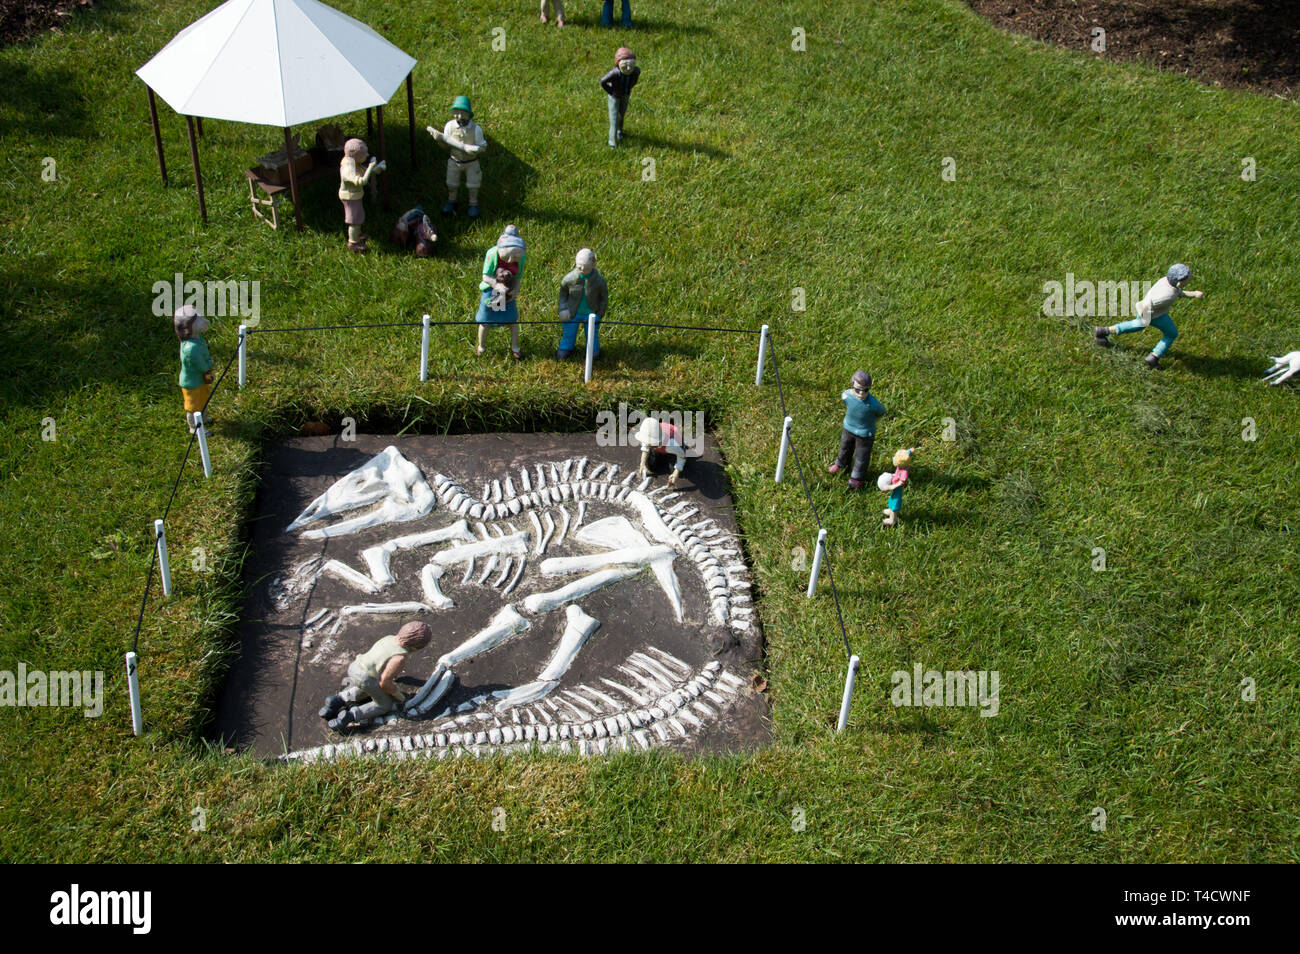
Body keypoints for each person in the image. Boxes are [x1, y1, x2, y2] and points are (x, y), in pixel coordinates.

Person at [320, 621, 432, 731]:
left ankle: (337, 701)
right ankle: (349, 716)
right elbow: (385, 683)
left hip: (355, 667)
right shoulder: (400, 657)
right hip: (366, 677)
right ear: (416, 646)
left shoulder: (389, 638)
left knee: (368, 687)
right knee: (384, 704)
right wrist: (399, 696)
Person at [1094, 263, 1204, 369]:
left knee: (1135, 325)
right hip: (1155, 316)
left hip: (1148, 312)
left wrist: (1194, 294)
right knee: (1171, 334)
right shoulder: (1169, 295)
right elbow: (1154, 302)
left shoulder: (1165, 281)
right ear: (1179, 283)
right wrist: (1145, 316)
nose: (1191, 278)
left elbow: (1179, 292)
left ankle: (1103, 331)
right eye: (1188, 278)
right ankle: (1154, 357)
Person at [428, 95, 487, 218]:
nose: (459, 116)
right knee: (452, 183)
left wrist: (475, 150)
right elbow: (445, 146)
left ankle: (473, 204)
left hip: (471, 162)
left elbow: (483, 147)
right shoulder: (449, 126)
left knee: (473, 184)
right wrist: (439, 140)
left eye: (463, 113)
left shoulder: (476, 129)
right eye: (457, 113)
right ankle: (452, 201)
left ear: (469, 114)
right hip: (454, 161)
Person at [827, 370, 886, 490]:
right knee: (844, 448)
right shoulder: (847, 396)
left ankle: (857, 477)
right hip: (848, 428)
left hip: (865, 434)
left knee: (861, 456)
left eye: (865, 390)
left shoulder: (873, 404)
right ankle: (841, 465)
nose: (861, 393)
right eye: (858, 390)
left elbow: (881, 412)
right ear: (852, 385)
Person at [475, 225, 527, 359]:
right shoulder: (492, 254)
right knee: (486, 321)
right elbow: (486, 276)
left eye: (515, 257)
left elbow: (518, 277)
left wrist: (515, 291)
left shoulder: (521, 258)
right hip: (491, 291)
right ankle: (481, 346)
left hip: (508, 292)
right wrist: (496, 285)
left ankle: (515, 347)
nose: (510, 260)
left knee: (512, 321)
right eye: (507, 256)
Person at [556, 248, 608, 359]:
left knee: (592, 335)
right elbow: (563, 295)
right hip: (572, 312)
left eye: (586, 267)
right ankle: (566, 347)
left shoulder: (599, 281)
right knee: (569, 332)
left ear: (593, 264)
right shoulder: (569, 279)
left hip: (591, 313)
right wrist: (563, 309)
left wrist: (600, 313)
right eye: (580, 267)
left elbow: (604, 298)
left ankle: (593, 349)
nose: (583, 269)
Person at [337, 138, 386, 253]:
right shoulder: (347, 168)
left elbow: (363, 172)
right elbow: (362, 181)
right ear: (356, 155)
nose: (367, 155)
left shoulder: (354, 162)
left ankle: (358, 234)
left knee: (359, 216)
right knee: (354, 220)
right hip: (349, 197)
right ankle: (353, 243)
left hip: (355, 195)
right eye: (365, 153)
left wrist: (376, 168)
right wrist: (371, 167)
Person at [175, 304, 214, 434]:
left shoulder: (197, 338)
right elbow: (200, 364)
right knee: (193, 406)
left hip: (200, 379)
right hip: (192, 382)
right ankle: (194, 427)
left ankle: (204, 417)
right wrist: (209, 365)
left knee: (203, 400)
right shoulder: (191, 348)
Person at [600, 48, 640, 149]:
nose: (628, 68)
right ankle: (612, 143)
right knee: (614, 119)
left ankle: (619, 132)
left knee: (621, 115)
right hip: (614, 97)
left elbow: (635, 80)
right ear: (618, 63)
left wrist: (629, 88)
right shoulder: (614, 73)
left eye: (631, 65)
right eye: (625, 65)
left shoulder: (635, 72)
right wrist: (611, 92)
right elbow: (603, 81)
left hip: (625, 95)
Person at [635, 416, 687, 485]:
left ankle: (683, 446)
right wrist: (642, 463)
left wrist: (676, 473)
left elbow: (681, 455)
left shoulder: (671, 444)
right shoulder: (648, 434)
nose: (647, 444)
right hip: (661, 444)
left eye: (650, 444)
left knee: (676, 472)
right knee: (650, 466)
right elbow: (645, 447)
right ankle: (661, 454)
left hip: (675, 442)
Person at [879, 448, 913, 528]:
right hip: (894, 486)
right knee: (891, 498)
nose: (894, 459)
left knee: (895, 501)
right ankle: (890, 510)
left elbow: (902, 482)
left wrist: (891, 487)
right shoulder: (902, 464)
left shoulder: (904, 472)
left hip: (897, 489)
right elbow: (908, 452)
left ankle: (893, 520)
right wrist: (911, 450)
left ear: (901, 463)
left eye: (896, 459)